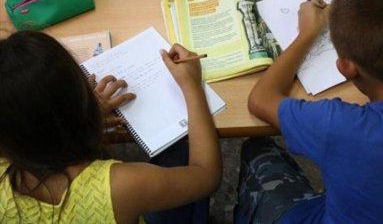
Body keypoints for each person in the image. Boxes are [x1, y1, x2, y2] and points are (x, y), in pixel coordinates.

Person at [234, 0, 383, 223]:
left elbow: (260, 99)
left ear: (346, 68)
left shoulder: (344, 127)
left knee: (256, 148)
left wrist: (307, 33)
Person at [0, 30, 222, 223]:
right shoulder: (122, 186)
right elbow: (206, 175)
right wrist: (192, 85)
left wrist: (84, 117)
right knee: (178, 150)